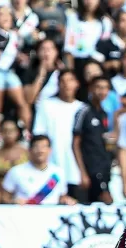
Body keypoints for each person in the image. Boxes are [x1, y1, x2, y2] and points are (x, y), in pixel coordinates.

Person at [33, 69, 87, 201]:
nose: (66, 84)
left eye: (70, 80)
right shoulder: (46, 105)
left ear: (77, 84)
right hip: (51, 170)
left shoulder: (83, 108)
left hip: (76, 171)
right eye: (62, 81)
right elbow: (39, 135)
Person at [0, 6, 31, 130]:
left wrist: (20, 57)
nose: (5, 17)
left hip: (10, 72)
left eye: (8, 14)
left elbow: (14, 51)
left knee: (21, 101)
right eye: (1, 14)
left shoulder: (14, 35)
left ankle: (28, 130)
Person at [1, 135, 77, 205]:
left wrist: (67, 200)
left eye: (44, 147)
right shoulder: (15, 171)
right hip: (24, 215)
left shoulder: (59, 172)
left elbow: (62, 197)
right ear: (29, 150)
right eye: (36, 147)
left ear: (50, 150)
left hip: (51, 216)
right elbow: (4, 198)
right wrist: (13, 202)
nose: (40, 151)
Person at [73, 76, 114, 204]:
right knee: (105, 200)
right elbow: (75, 143)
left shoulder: (104, 113)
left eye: (105, 88)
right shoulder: (83, 111)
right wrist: (82, 172)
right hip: (90, 169)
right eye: (98, 87)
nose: (102, 91)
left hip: (105, 168)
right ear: (91, 89)